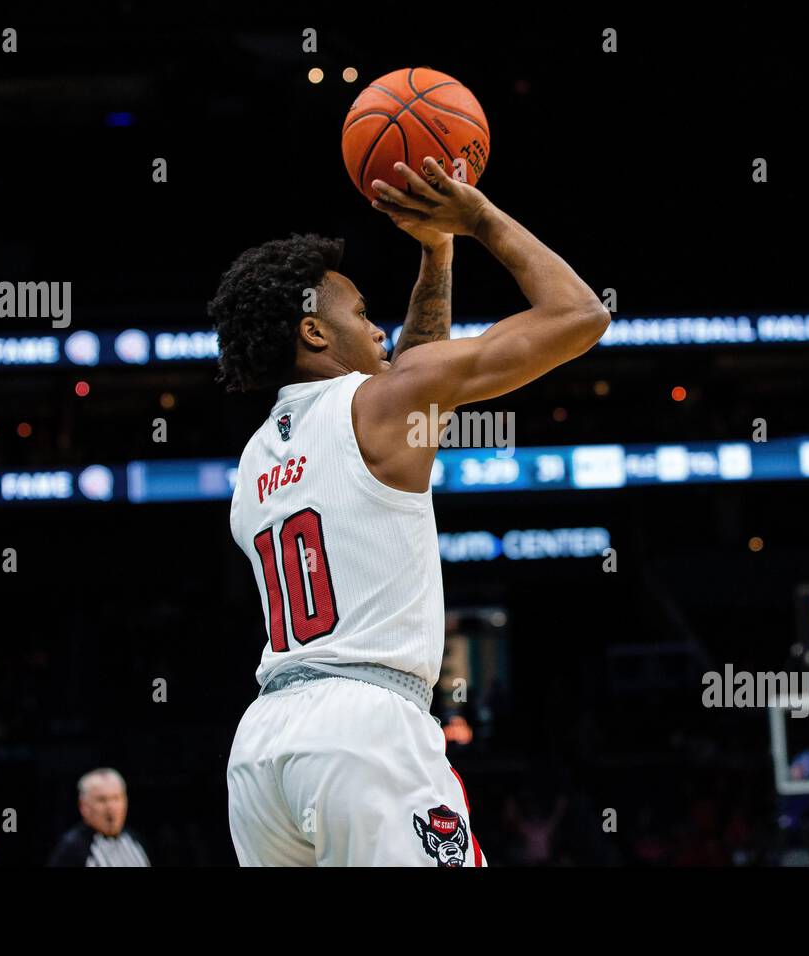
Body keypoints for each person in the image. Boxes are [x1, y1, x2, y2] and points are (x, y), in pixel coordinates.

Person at [212, 156, 609, 866]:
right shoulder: (384, 403)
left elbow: (409, 374)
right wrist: (477, 218)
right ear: (313, 333)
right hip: (366, 729)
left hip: (262, 748)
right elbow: (580, 314)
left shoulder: (252, 465)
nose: (380, 335)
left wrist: (437, 253)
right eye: (363, 315)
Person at [47, 768, 150, 866]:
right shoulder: (72, 848)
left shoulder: (133, 839)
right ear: (83, 806)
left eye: (116, 798)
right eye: (102, 800)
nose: (111, 807)